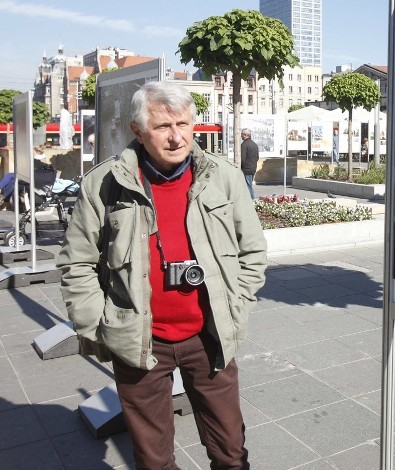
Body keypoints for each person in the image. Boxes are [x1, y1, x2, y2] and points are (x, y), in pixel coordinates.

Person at [56, 81, 267, 470]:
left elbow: (252, 249)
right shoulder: (103, 184)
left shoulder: (223, 177)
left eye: (184, 124)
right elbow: (77, 263)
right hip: (139, 343)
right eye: (162, 127)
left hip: (210, 337)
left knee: (231, 451)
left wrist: (239, 301)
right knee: (153, 460)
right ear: (137, 131)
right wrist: (97, 325)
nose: (176, 137)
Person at [240, 128, 259, 200]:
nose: (241, 136)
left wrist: (242, 166)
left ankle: (253, 200)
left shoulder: (244, 144)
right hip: (253, 168)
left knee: (248, 186)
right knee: (249, 185)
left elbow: (243, 158)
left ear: (245, 135)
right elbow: (257, 157)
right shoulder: (254, 144)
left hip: (246, 169)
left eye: (242, 134)